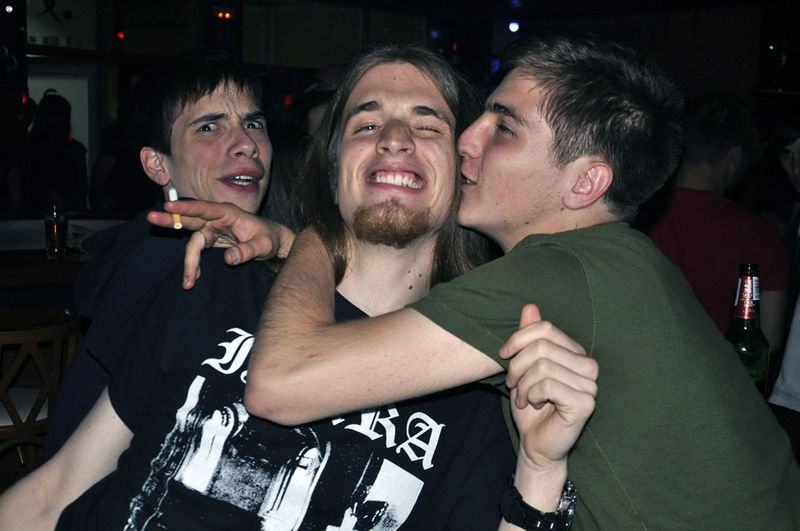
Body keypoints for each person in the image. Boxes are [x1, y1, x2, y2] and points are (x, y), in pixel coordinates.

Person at [164, 30, 799, 528]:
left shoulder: (562, 272)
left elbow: (281, 383)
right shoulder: (616, 267)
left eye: (504, 128)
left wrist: (315, 234)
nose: (468, 139)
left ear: (585, 183)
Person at [0, 45, 595, 530]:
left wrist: (542, 469)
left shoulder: (474, 376)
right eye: (367, 123)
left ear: (464, 169)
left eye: (427, 123)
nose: (394, 138)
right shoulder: (216, 282)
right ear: (332, 171)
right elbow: (57, 490)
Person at [42, 48, 282, 458]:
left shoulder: (217, 254)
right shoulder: (168, 265)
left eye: (253, 124)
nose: (247, 145)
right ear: (157, 165)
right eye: (209, 127)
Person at [647, 92, 789, 351]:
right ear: (735, 158)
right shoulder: (762, 236)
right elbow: (769, 341)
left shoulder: (639, 219)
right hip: (725, 375)